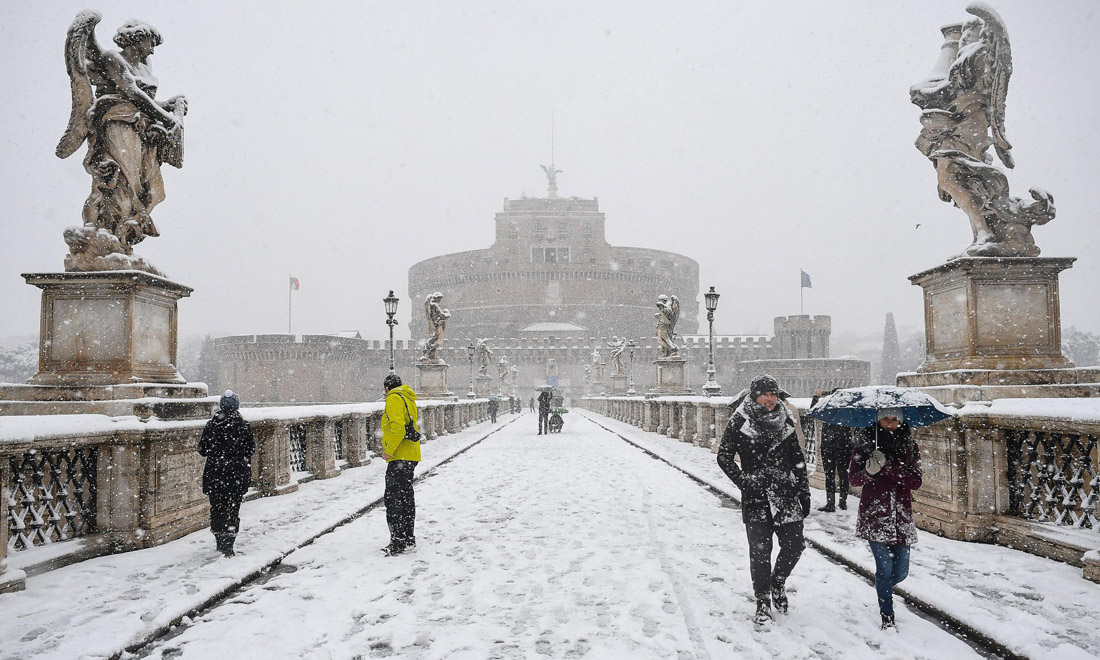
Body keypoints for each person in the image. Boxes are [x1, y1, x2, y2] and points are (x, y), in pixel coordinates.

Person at [717, 374, 810, 625]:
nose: (770, 399)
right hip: (756, 496)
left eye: (773, 394)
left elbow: (796, 457)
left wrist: (804, 490)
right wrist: (745, 481)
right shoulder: (740, 419)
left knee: (795, 544)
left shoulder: (786, 418)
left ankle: (777, 580)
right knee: (760, 552)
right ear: (754, 395)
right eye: (765, 394)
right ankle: (762, 600)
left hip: (785, 493)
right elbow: (724, 457)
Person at [849, 408, 923, 631]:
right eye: (885, 419)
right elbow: (854, 478)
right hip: (875, 515)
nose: (890, 423)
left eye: (894, 419)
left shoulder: (910, 447)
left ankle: (883, 589)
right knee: (883, 568)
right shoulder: (863, 446)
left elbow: (916, 481)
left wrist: (888, 467)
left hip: (901, 517)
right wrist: (869, 471)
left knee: (900, 571)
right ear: (877, 421)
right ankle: (887, 613)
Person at [198, 390, 255, 557]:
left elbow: (202, 449)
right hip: (236, 475)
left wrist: (217, 452)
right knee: (232, 508)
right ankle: (228, 544)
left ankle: (219, 539)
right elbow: (250, 449)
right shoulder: (244, 426)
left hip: (215, 474)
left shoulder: (211, 425)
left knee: (217, 508)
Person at [381, 374, 421, 556]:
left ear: (386, 388)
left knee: (393, 500)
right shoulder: (408, 397)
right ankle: (408, 538)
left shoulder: (393, 399)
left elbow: (398, 427)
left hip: (399, 456)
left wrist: (388, 450)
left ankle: (398, 541)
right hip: (411, 453)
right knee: (406, 498)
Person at [810, 389, 854, 512]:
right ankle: (843, 502)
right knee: (843, 474)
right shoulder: (847, 409)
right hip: (844, 446)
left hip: (828, 446)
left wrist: (816, 397)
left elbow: (813, 410)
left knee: (829, 476)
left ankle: (830, 503)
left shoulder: (827, 407)